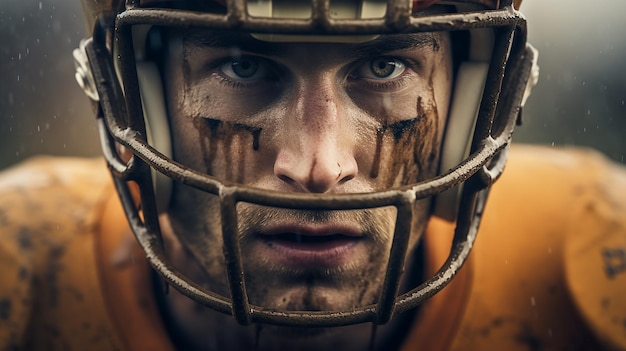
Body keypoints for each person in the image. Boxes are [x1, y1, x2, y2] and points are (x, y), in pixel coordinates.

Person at [0, 0, 624, 350]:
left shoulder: (592, 268)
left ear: (471, 102)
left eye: (384, 67)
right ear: (134, 97)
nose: (321, 167)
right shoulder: (20, 278)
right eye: (243, 67)